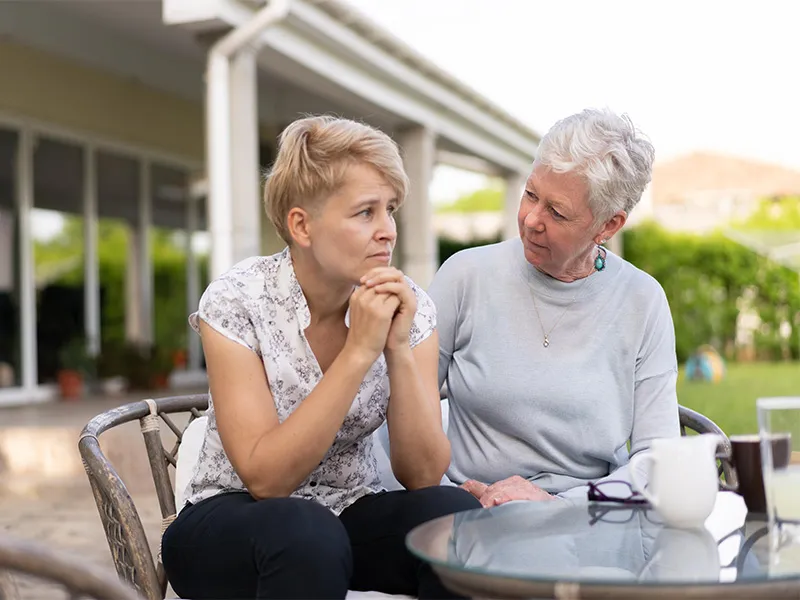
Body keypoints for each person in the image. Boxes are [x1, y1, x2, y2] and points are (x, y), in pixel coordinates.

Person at [162, 115, 479, 600]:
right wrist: (358, 352)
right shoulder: (237, 299)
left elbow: (421, 474)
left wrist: (395, 346)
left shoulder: (409, 306)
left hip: (348, 513)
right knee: (306, 533)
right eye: (365, 212)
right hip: (228, 519)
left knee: (453, 519)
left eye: (390, 209)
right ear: (301, 225)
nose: (388, 231)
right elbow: (267, 479)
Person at [424, 108, 680, 508]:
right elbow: (402, 406)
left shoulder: (642, 301)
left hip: (589, 521)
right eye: (530, 195)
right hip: (467, 509)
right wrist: (445, 493)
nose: (530, 220)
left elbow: (660, 459)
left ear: (608, 226)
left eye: (557, 212)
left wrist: (562, 504)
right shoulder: (465, 276)